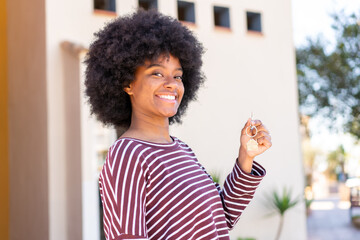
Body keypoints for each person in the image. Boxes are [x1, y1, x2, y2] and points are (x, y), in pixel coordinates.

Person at [85, 9, 272, 240]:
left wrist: (246, 156)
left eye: (177, 76)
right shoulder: (127, 155)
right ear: (127, 84)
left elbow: (222, 218)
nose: (171, 84)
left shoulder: (182, 150)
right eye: (156, 73)